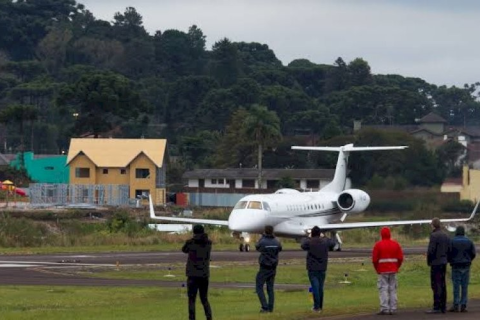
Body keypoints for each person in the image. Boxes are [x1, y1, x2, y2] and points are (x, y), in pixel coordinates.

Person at [182, 224, 212, 320]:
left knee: (191, 300)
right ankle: (209, 317)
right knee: (204, 299)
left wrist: (191, 239)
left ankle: (192, 318)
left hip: (192, 275)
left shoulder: (190, 243)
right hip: (204, 274)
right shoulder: (208, 243)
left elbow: (184, 250)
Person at [301, 226, 334, 313]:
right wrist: (324, 236)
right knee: (320, 287)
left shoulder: (310, 242)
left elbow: (303, 244)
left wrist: (308, 236)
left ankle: (316, 307)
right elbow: (332, 243)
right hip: (322, 267)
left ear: (312, 233)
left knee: (315, 287)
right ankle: (320, 306)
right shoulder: (324, 242)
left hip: (312, 268)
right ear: (320, 233)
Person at [372, 227, 404, 315]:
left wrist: (377, 269)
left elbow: (374, 260)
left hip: (382, 270)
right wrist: (397, 267)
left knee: (383, 289)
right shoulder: (395, 244)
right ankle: (393, 308)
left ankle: (385, 308)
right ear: (390, 234)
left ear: (381, 234)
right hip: (393, 269)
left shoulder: (378, 245)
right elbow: (400, 258)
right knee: (392, 289)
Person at [447, 225, 476, 312]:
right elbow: (473, 253)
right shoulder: (469, 241)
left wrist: (451, 260)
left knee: (456, 286)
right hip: (466, 265)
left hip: (455, 265)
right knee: (464, 286)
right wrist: (468, 259)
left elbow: (448, 253)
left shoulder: (452, 241)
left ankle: (456, 304)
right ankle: (463, 304)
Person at [425, 217, 451, 314]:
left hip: (436, 262)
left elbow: (431, 250)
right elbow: (449, 248)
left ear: (433, 225)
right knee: (443, 284)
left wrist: (429, 261)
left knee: (436, 284)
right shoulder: (446, 235)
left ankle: (436, 306)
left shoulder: (434, 236)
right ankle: (443, 306)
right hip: (443, 262)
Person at [255, 225, 282, 313]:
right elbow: (280, 249)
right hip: (273, 267)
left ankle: (264, 306)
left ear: (265, 231)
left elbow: (257, 247)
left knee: (259, 287)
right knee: (270, 288)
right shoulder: (276, 241)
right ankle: (270, 308)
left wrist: (262, 237)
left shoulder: (262, 241)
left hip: (264, 267)